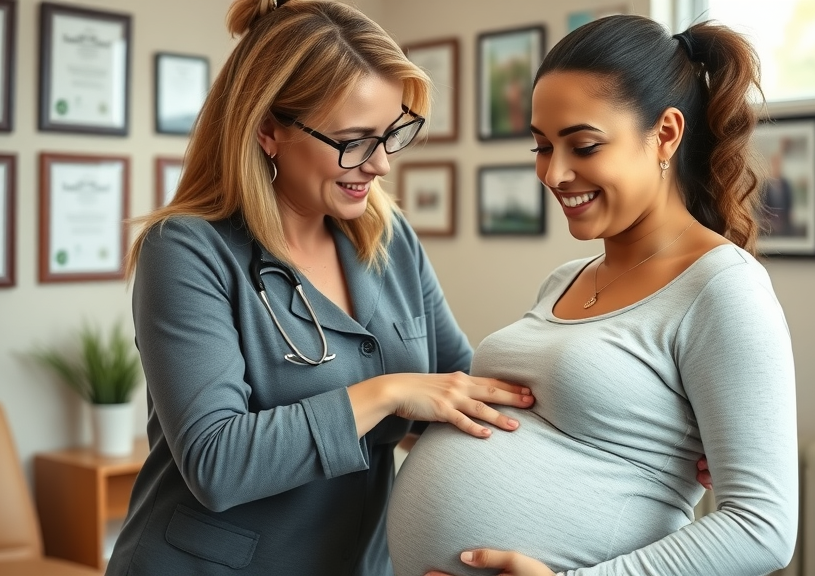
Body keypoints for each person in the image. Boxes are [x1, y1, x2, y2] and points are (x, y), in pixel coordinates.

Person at [104, 1, 537, 575]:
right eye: (354, 140)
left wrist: (646, 435)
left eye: (390, 135)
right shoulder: (186, 251)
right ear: (267, 130)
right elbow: (216, 462)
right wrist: (384, 393)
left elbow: (460, 390)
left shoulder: (389, 239)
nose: (380, 164)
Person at [387, 15, 798, 576]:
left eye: (583, 145)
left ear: (667, 134)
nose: (554, 173)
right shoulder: (565, 279)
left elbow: (763, 528)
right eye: (541, 146)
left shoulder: (723, 289)